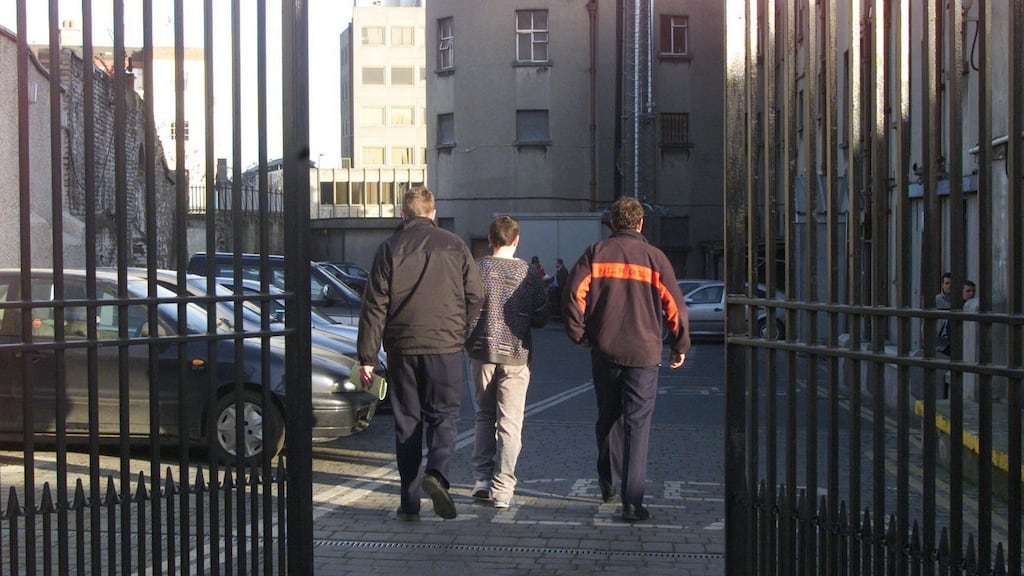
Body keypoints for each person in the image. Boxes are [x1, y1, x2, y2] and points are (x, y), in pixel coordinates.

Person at [357, 186, 484, 521]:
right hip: (445, 346)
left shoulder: (389, 248)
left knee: (407, 424)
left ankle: (409, 502)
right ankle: (437, 472)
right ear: (433, 212)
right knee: (444, 416)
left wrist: (367, 358)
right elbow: (476, 296)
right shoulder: (455, 245)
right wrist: (461, 332)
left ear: (403, 214)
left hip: (402, 349)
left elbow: (374, 306)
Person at [561, 197, 690, 523]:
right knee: (637, 426)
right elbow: (675, 306)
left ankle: (608, 482)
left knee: (608, 417)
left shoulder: (596, 253)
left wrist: (580, 335)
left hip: (605, 350)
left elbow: (572, 296)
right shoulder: (655, 258)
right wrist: (679, 344)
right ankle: (632, 502)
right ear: (641, 224)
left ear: (613, 224)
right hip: (645, 353)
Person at [466, 216, 549, 509]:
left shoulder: (477, 268)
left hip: (481, 352)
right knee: (510, 424)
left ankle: (481, 480)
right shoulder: (528, 273)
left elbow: (466, 308)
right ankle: (503, 488)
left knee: (484, 416)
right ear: (516, 240)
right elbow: (542, 315)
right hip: (516, 355)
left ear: (490, 240)